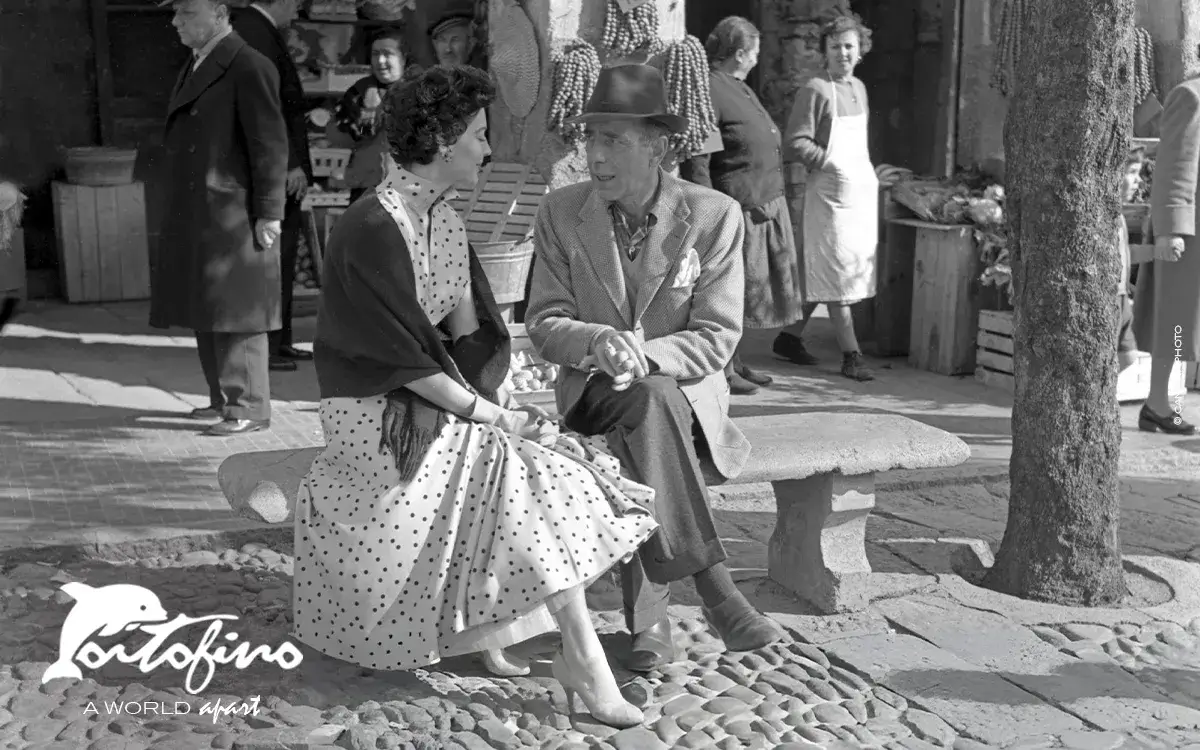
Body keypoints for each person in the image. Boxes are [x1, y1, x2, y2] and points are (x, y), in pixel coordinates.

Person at [291, 65, 658, 728]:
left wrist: (544, 371)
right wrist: (497, 416)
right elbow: (401, 363)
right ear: (441, 141)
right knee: (517, 466)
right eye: (479, 135)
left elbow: (467, 340)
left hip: (436, 401)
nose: (488, 149)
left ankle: (533, 638)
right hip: (373, 413)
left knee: (537, 463)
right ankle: (575, 657)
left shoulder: (446, 224)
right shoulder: (373, 227)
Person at [526, 63, 784, 674]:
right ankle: (719, 594)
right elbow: (544, 319)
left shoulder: (713, 213)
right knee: (647, 405)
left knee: (653, 404)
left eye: (613, 139)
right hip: (591, 391)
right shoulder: (561, 212)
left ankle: (652, 623)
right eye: (591, 138)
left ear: (659, 146)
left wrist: (642, 354)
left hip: (685, 398)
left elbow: (718, 336)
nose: (596, 154)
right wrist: (596, 341)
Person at [151, 0, 287, 437]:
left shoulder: (249, 65)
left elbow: (270, 145)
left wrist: (269, 212)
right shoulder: (200, 61)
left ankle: (248, 406)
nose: (175, 22)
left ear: (218, 12)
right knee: (208, 308)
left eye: (186, 13)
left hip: (235, 210)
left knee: (238, 311)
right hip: (205, 209)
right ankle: (222, 400)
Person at [681, 16, 801, 396]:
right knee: (727, 292)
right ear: (739, 53)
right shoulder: (712, 90)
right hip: (736, 205)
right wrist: (710, 210)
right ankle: (722, 369)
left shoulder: (737, 86)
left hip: (759, 200)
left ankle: (735, 361)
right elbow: (699, 158)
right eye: (754, 54)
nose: (755, 60)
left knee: (745, 290)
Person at [780, 14, 878, 382]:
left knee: (836, 270)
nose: (843, 53)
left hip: (858, 199)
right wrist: (828, 162)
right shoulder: (817, 90)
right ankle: (852, 355)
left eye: (849, 46)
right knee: (836, 273)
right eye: (835, 46)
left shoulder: (860, 89)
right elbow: (794, 142)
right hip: (829, 197)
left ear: (861, 50)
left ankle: (788, 339)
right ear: (824, 51)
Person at [231, 0, 313, 373]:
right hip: (277, 166)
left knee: (283, 254)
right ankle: (270, 345)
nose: (297, 8)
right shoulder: (253, 28)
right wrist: (291, 162)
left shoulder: (259, 28)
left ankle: (281, 340)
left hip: (281, 163)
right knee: (273, 256)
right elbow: (270, 107)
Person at [1134, 76, 1200, 435]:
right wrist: (1172, 228)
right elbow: (1175, 165)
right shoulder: (1191, 96)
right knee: (1176, 323)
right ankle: (1158, 403)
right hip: (1190, 233)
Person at [327, 29, 406, 203]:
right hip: (365, 187)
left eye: (388, 54)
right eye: (375, 54)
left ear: (403, 58)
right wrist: (361, 119)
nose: (380, 61)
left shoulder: (418, 92)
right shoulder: (358, 91)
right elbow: (337, 136)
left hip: (405, 189)